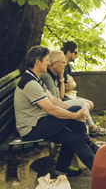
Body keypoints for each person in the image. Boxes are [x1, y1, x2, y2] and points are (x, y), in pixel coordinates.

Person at [13, 46, 95, 178]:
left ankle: (66, 167)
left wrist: (73, 114)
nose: (49, 63)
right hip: (32, 129)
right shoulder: (30, 83)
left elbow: (53, 99)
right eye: (46, 60)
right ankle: (89, 145)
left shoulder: (36, 79)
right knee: (75, 112)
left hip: (41, 123)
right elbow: (49, 108)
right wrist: (74, 115)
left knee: (75, 138)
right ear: (37, 62)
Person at [42, 50, 105, 137]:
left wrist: (61, 78)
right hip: (52, 109)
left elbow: (60, 96)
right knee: (81, 103)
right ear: (54, 64)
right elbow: (54, 100)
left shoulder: (55, 75)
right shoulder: (47, 77)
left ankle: (87, 130)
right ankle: (92, 128)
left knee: (82, 104)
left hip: (57, 103)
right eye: (63, 62)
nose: (65, 64)